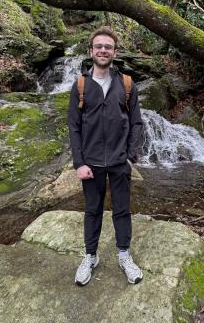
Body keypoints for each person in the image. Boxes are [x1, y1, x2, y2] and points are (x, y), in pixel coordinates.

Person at [68, 26, 143, 286]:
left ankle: (124, 256)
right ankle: (90, 256)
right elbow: (74, 127)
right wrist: (79, 163)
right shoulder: (80, 85)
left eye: (107, 47)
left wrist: (131, 156)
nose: (103, 50)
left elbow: (136, 123)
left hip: (120, 161)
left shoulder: (126, 84)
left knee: (122, 211)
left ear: (115, 52)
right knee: (92, 211)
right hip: (91, 163)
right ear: (91, 51)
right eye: (98, 46)